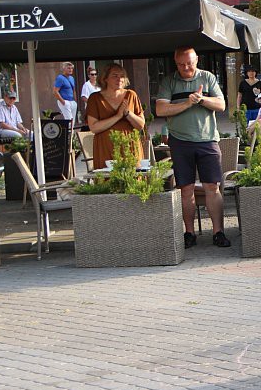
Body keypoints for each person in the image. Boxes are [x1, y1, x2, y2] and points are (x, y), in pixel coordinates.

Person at [155, 47, 231, 249]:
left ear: (196, 59)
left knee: (212, 187)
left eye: (189, 63)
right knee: (185, 189)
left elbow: (221, 105)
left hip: (207, 140)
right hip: (180, 142)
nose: (186, 67)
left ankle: (218, 232)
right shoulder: (169, 81)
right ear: (175, 62)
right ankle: (189, 233)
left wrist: (202, 99)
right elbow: (161, 109)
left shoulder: (207, 77)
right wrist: (188, 103)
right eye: (181, 64)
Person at [86, 64, 145, 168]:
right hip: (105, 148)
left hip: (129, 146)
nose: (119, 79)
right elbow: (94, 127)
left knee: (133, 180)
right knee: (107, 180)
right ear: (105, 79)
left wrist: (127, 113)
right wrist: (117, 116)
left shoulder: (131, 95)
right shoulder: (95, 98)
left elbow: (140, 125)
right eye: (115, 76)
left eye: (122, 76)